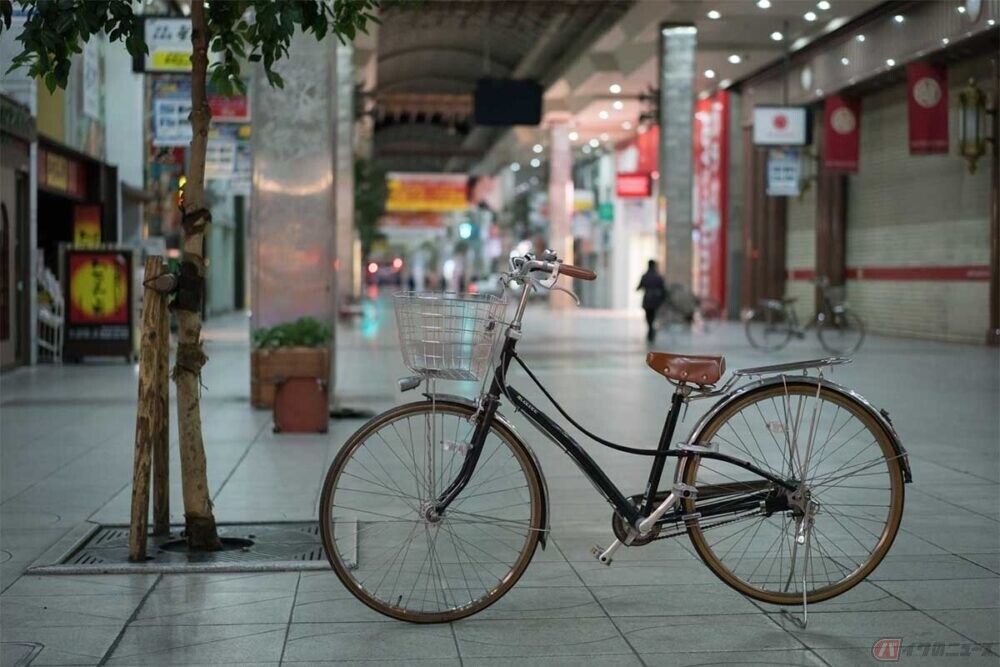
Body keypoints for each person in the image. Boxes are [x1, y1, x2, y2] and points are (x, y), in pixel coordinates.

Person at [636, 260, 667, 343]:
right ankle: (651, 330)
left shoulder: (645, 276)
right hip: (655, 301)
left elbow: (638, 287)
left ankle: (650, 330)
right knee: (653, 316)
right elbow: (664, 289)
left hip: (647, 300)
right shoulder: (658, 276)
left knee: (648, 317)